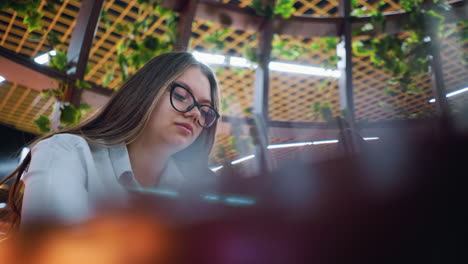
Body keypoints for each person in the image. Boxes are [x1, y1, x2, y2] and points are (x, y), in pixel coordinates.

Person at [0, 51, 221, 231]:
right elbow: (53, 253)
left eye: (205, 109)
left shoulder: (196, 194)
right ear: (145, 92)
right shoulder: (67, 152)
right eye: (182, 96)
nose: (195, 114)